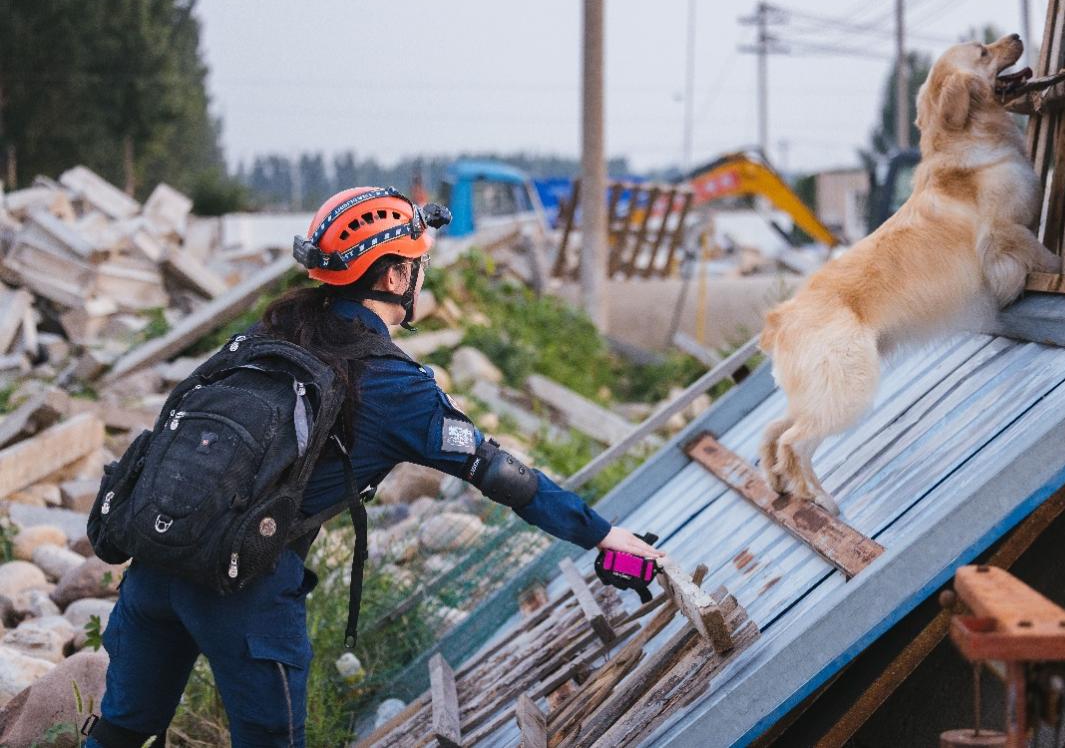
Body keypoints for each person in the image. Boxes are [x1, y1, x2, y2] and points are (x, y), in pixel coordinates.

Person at [85, 187, 663, 748]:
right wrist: (608, 537)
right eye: (418, 264)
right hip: (244, 591)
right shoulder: (391, 383)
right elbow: (503, 475)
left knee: (121, 730)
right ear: (392, 277)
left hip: (157, 564)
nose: (420, 275)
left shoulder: (264, 335)